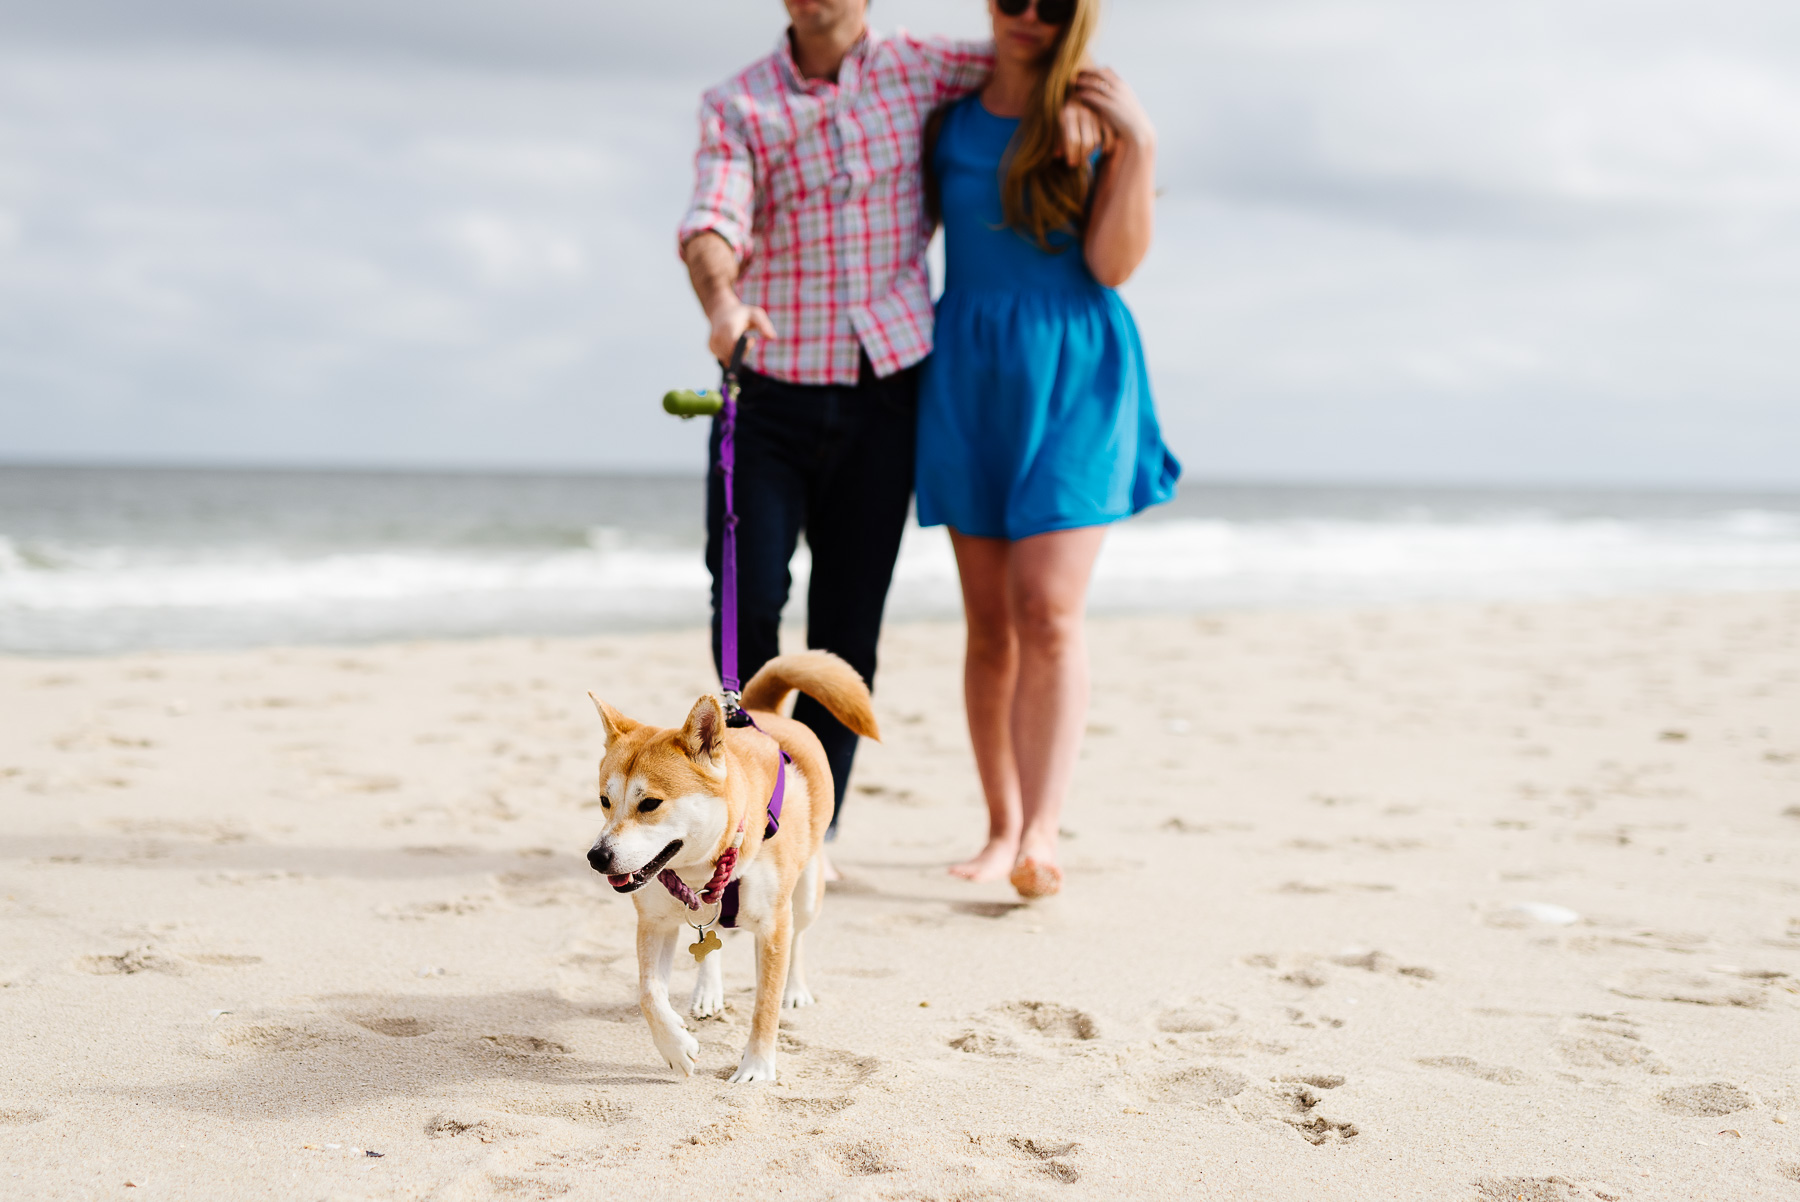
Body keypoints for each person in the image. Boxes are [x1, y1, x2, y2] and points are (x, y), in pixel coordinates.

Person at [676, 0, 1099, 858]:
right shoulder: (738, 102)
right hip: (770, 386)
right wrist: (722, 301)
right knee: (749, 601)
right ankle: (746, 797)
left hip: (887, 392)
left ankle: (811, 831)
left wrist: (1081, 105)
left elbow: (1031, 57)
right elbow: (713, 220)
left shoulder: (925, 67)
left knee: (846, 628)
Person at [916, 0, 1180, 899]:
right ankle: (998, 829)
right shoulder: (946, 113)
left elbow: (1112, 266)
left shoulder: (1102, 115)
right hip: (969, 374)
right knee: (989, 626)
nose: (1029, 14)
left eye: (1053, 3)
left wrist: (1136, 143)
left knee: (1047, 611)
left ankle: (1043, 830)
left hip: (1075, 372)